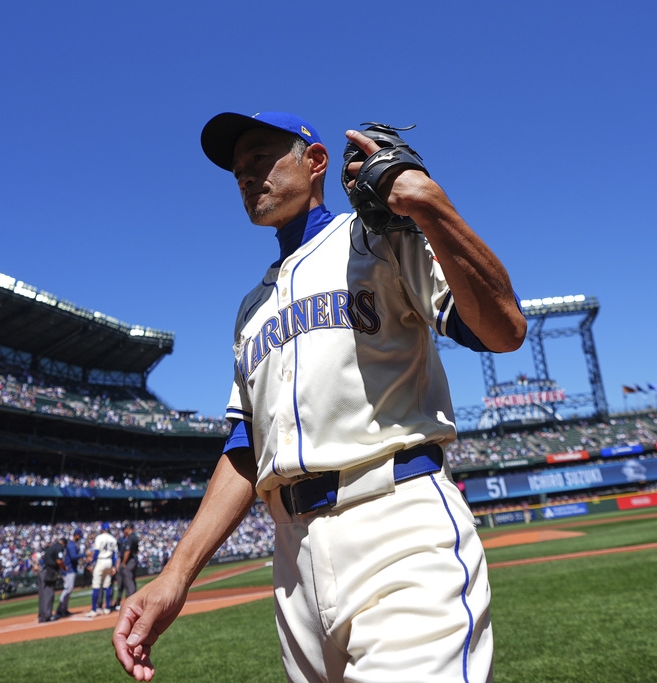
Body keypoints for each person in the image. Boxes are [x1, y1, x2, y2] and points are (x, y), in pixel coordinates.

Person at [112, 112, 527, 683]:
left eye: (261, 157)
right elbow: (244, 449)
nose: (246, 175)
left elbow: (502, 330)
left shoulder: (376, 238)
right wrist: (175, 578)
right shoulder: (249, 310)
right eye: (237, 170)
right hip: (292, 560)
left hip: (395, 519)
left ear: (316, 162)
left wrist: (428, 205)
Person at [85, 522, 118, 618]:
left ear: (102, 529)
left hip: (100, 561)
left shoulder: (99, 537)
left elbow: (96, 552)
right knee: (107, 585)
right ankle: (107, 608)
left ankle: (94, 609)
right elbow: (114, 555)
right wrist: (114, 566)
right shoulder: (113, 538)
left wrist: (92, 563)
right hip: (109, 561)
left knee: (96, 585)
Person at [54, 528, 84, 618]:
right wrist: (84, 554)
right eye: (79, 536)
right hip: (69, 569)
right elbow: (73, 557)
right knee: (67, 589)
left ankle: (64, 609)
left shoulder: (72, 544)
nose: (80, 538)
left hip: (70, 569)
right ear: (76, 535)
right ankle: (60, 609)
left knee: (68, 589)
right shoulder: (71, 545)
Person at [112, 522, 139, 610]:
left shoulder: (130, 538)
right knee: (131, 581)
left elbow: (128, 551)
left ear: (128, 528)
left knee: (129, 582)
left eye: (125, 529)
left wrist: (123, 563)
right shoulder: (134, 537)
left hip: (129, 561)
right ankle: (132, 601)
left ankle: (131, 603)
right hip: (133, 560)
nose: (124, 531)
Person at [38, 537, 65, 623]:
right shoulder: (60, 547)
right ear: (63, 543)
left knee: (42, 595)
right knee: (48, 594)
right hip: (49, 572)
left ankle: (42, 615)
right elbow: (59, 561)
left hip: (43, 571)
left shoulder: (51, 547)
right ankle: (47, 615)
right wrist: (64, 568)